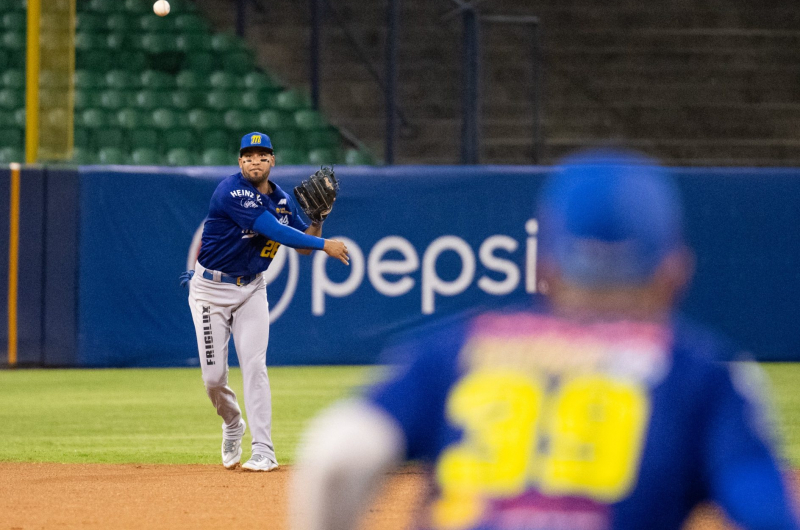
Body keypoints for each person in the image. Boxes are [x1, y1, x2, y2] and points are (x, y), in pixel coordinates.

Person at [290, 149, 799, 528]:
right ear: (675, 271)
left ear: (543, 267)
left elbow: (337, 457)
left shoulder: (457, 348)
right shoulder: (703, 374)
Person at [184, 132, 349, 472]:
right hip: (210, 292)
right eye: (248, 155)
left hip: (251, 291)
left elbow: (303, 244)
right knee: (213, 379)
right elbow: (276, 232)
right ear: (239, 162)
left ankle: (264, 450)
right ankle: (232, 422)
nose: (254, 160)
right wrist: (326, 245)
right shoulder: (231, 192)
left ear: (272, 160)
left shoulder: (283, 200)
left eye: (262, 155)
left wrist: (318, 221)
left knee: (255, 368)